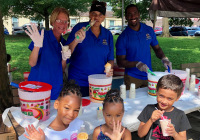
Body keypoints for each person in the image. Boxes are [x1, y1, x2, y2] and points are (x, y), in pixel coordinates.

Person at [116, 4, 172, 90]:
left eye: (135, 13)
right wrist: (136, 64)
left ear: (139, 14)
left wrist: (164, 58)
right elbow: (120, 62)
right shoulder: (123, 37)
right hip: (131, 77)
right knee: (131, 101)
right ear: (126, 17)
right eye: (129, 14)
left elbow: (157, 48)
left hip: (148, 75)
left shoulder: (148, 30)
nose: (133, 16)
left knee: (149, 100)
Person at [66, 0, 114, 97]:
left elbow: (110, 59)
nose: (97, 17)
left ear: (104, 17)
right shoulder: (79, 28)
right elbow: (67, 53)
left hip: (99, 82)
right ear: (89, 14)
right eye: (94, 14)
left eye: (100, 15)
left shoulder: (107, 34)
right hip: (78, 82)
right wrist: (76, 40)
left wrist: (109, 68)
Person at [25, 7, 71, 100]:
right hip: (38, 88)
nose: (63, 24)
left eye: (65, 21)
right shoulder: (42, 36)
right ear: (52, 22)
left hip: (55, 90)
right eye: (59, 20)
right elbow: (32, 63)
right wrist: (37, 45)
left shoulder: (64, 43)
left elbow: (62, 70)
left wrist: (64, 59)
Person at [137, 74, 191, 139]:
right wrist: (151, 120)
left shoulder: (180, 115)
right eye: (161, 96)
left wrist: (174, 134)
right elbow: (140, 134)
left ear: (177, 98)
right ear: (156, 92)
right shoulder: (149, 109)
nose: (164, 101)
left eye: (169, 98)